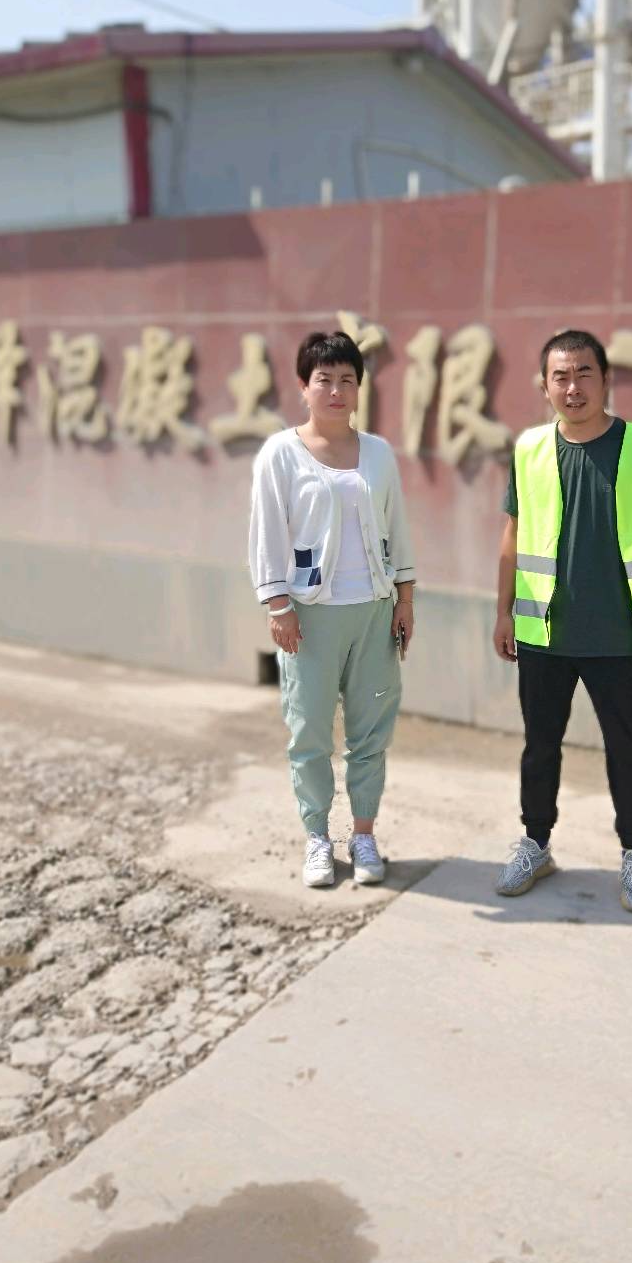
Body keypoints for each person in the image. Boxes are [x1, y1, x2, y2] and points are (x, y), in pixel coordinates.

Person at [492, 328, 632, 912]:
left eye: (583, 374)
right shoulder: (528, 449)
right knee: (539, 746)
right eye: (560, 377)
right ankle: (535, 843)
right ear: (545, 386)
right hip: (543, 630)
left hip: (616, 634)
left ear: (605, 379)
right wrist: (502, 611)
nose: (572, 388)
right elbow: (512, 534)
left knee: (626, 746)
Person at [248, 330, 415, 889]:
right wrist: (278, 605)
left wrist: (405, 598)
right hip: (310, 615)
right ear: (304, 387)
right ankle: (317, 837)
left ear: (359, 388)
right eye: (325, 380)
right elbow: (266, 533)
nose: (337, 391)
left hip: (373, 611)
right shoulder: (281, 453)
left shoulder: (379, 453)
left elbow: (397, 527)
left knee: (371, 732)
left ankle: (363, 835)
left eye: (347, 380)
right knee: (310, 733)